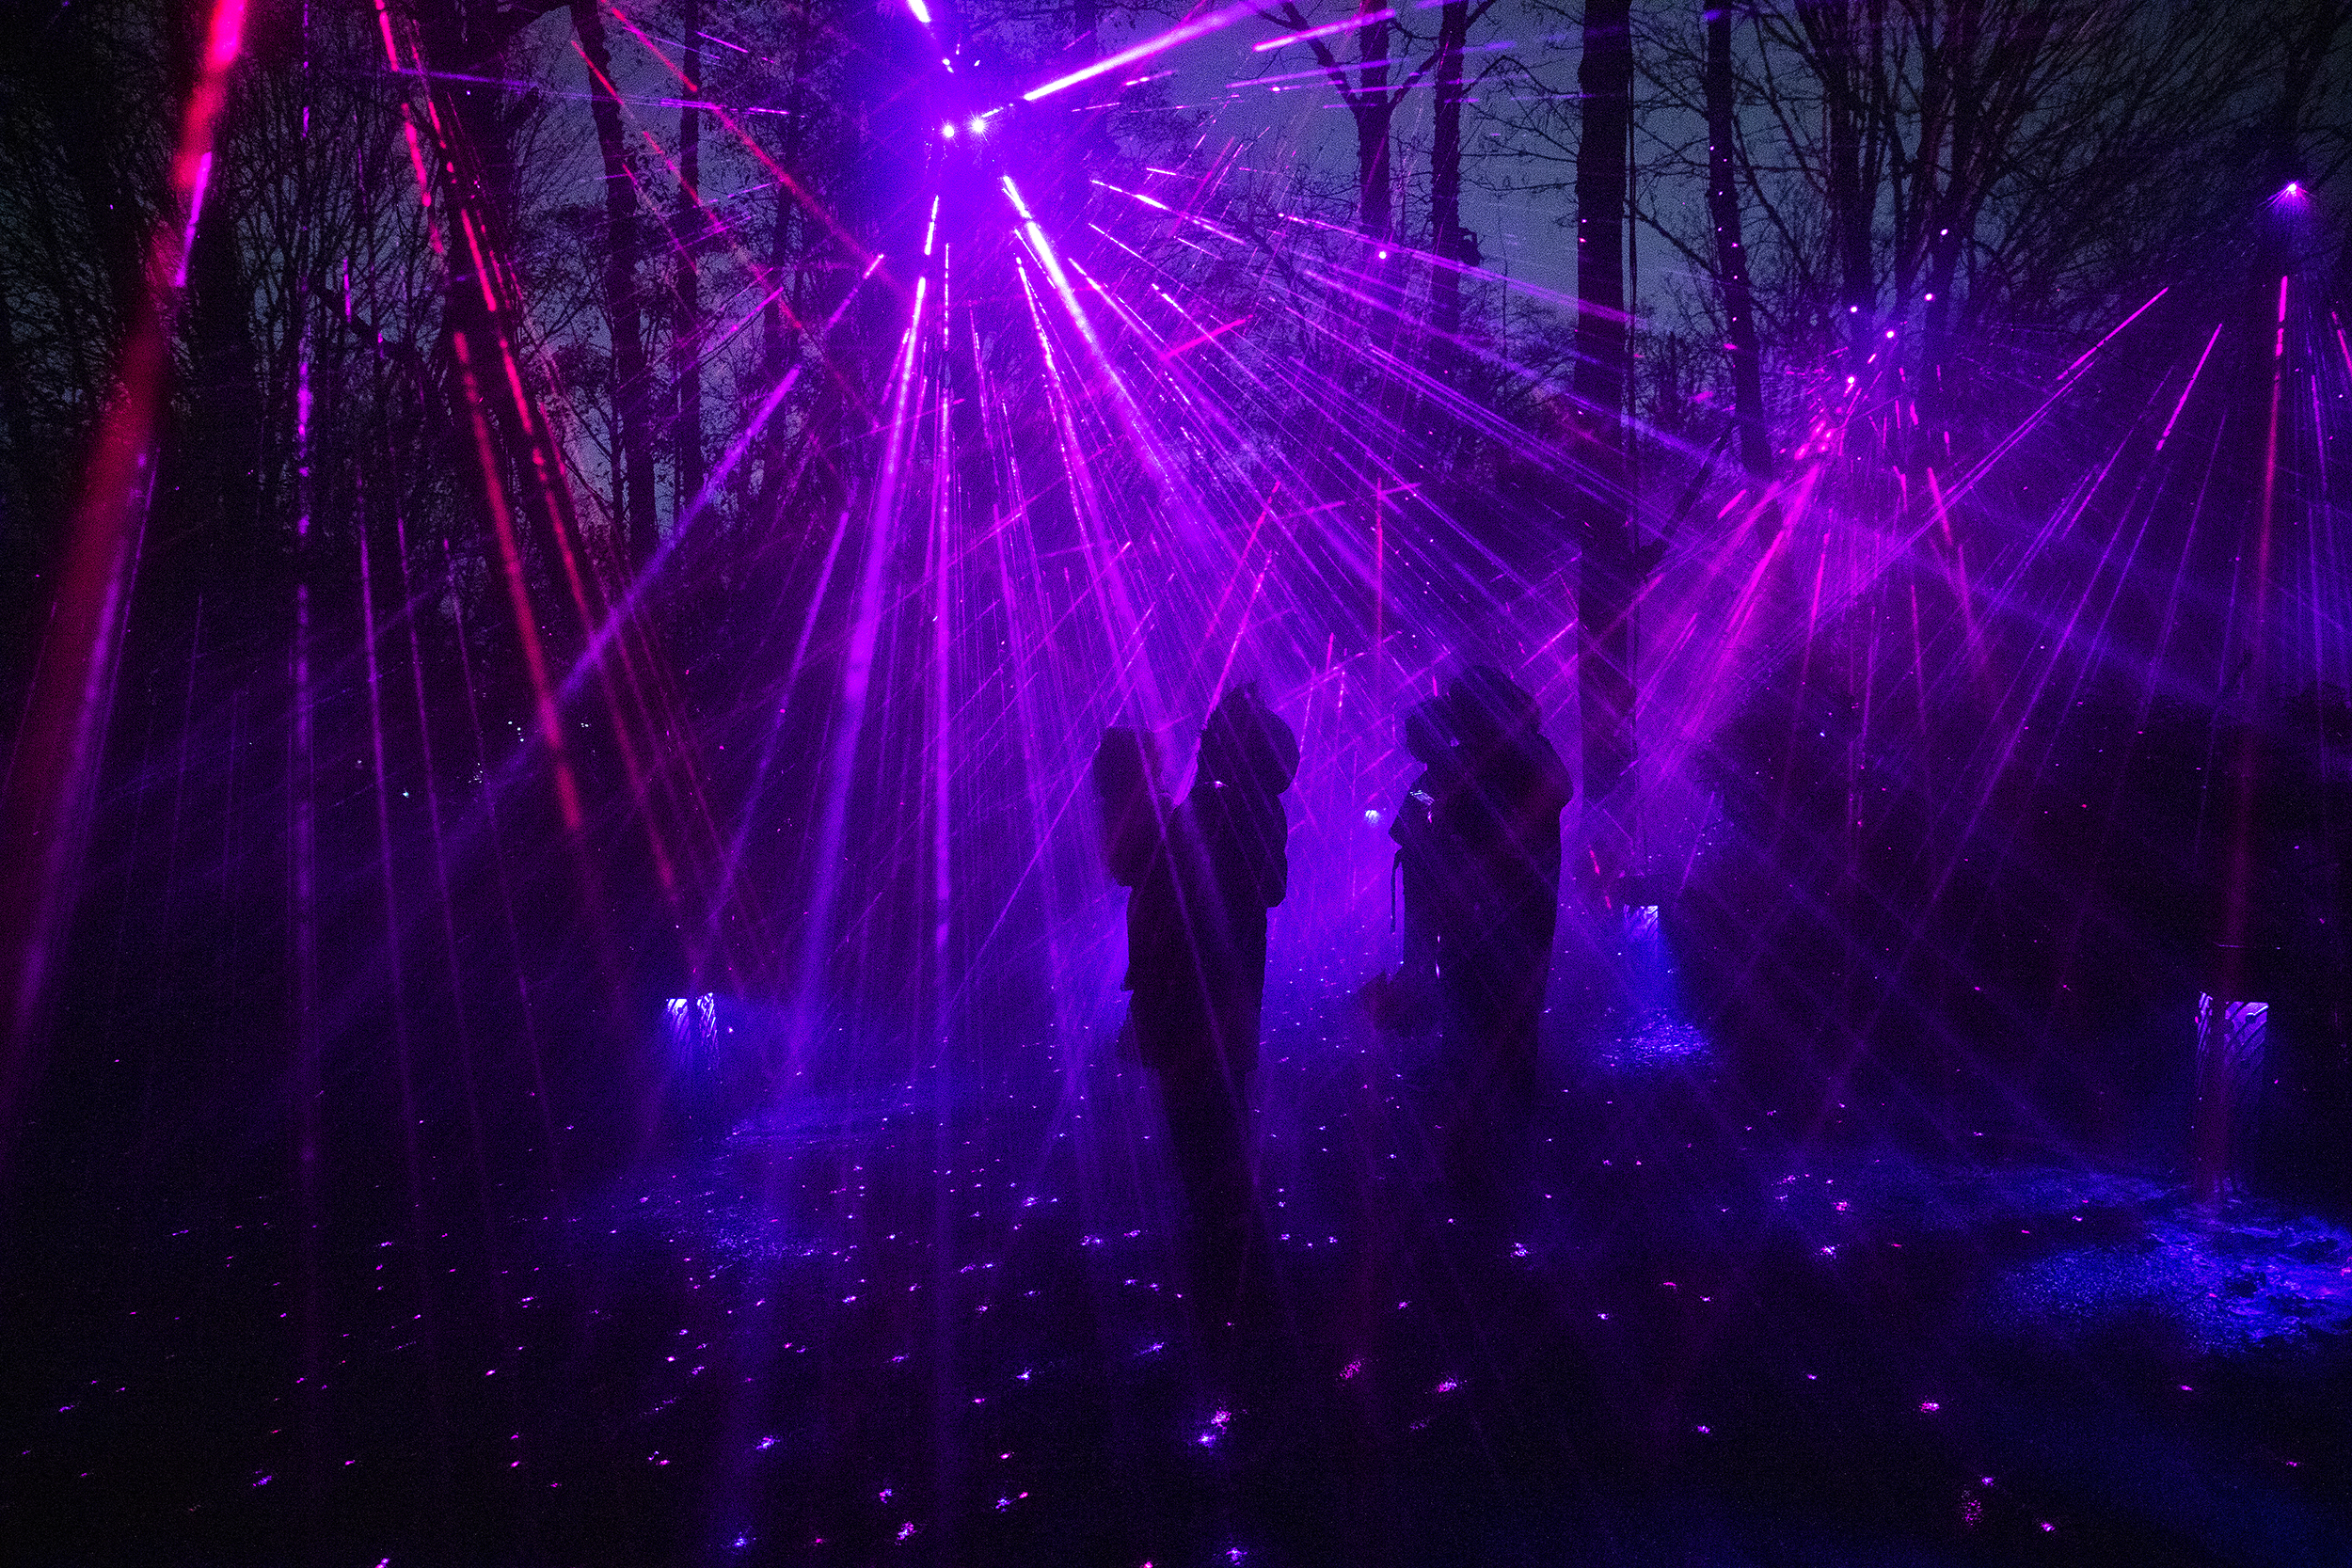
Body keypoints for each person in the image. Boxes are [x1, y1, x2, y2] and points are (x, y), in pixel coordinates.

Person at [1093, 686, 1298, 1345]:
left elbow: (1150, 890)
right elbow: (1265, 889)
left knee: (1206, 1147)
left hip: (1194, 1006)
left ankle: (1234, 1295)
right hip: (1225, 1001)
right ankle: (1240, 1286)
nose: (1202, 743)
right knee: (1221, 1138)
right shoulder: (1249, 807)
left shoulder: (1211, 810)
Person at [1429, 666, 1571, 1181]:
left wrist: (1491, 853)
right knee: (1492, 1019)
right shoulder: (1493, 753)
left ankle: (1494, 1148)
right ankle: (1491, 1145)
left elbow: (1555, 790)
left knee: (1495, 1018)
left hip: (1506, 909)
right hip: (1503, 909)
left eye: (1458, 705)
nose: (1451, 714)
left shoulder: (1509, 752)